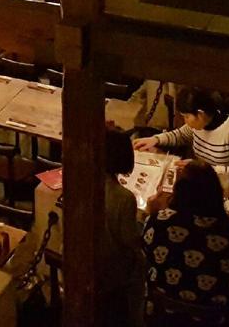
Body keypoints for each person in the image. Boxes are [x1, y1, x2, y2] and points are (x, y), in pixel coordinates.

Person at [141, 160, 229, 314]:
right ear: (216, 193)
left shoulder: (157, 221)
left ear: (178, 192)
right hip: (214, 319)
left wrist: (149, 212)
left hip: (160, 313)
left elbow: (143, 258)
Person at [134, 88, 229, 184]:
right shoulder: (199, 125)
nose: (185, 121)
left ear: (200, 114)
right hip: (201, 180)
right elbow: (180, 135)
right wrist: (155, 139)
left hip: (224, 188)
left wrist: (200, 167)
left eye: (186, 117)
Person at [99, 130, 145, 327]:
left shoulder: (81, 181)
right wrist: (147, 216)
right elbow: (131, 241)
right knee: (142, 262)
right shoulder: (123, 198)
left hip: (83, 257)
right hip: (110, 268)